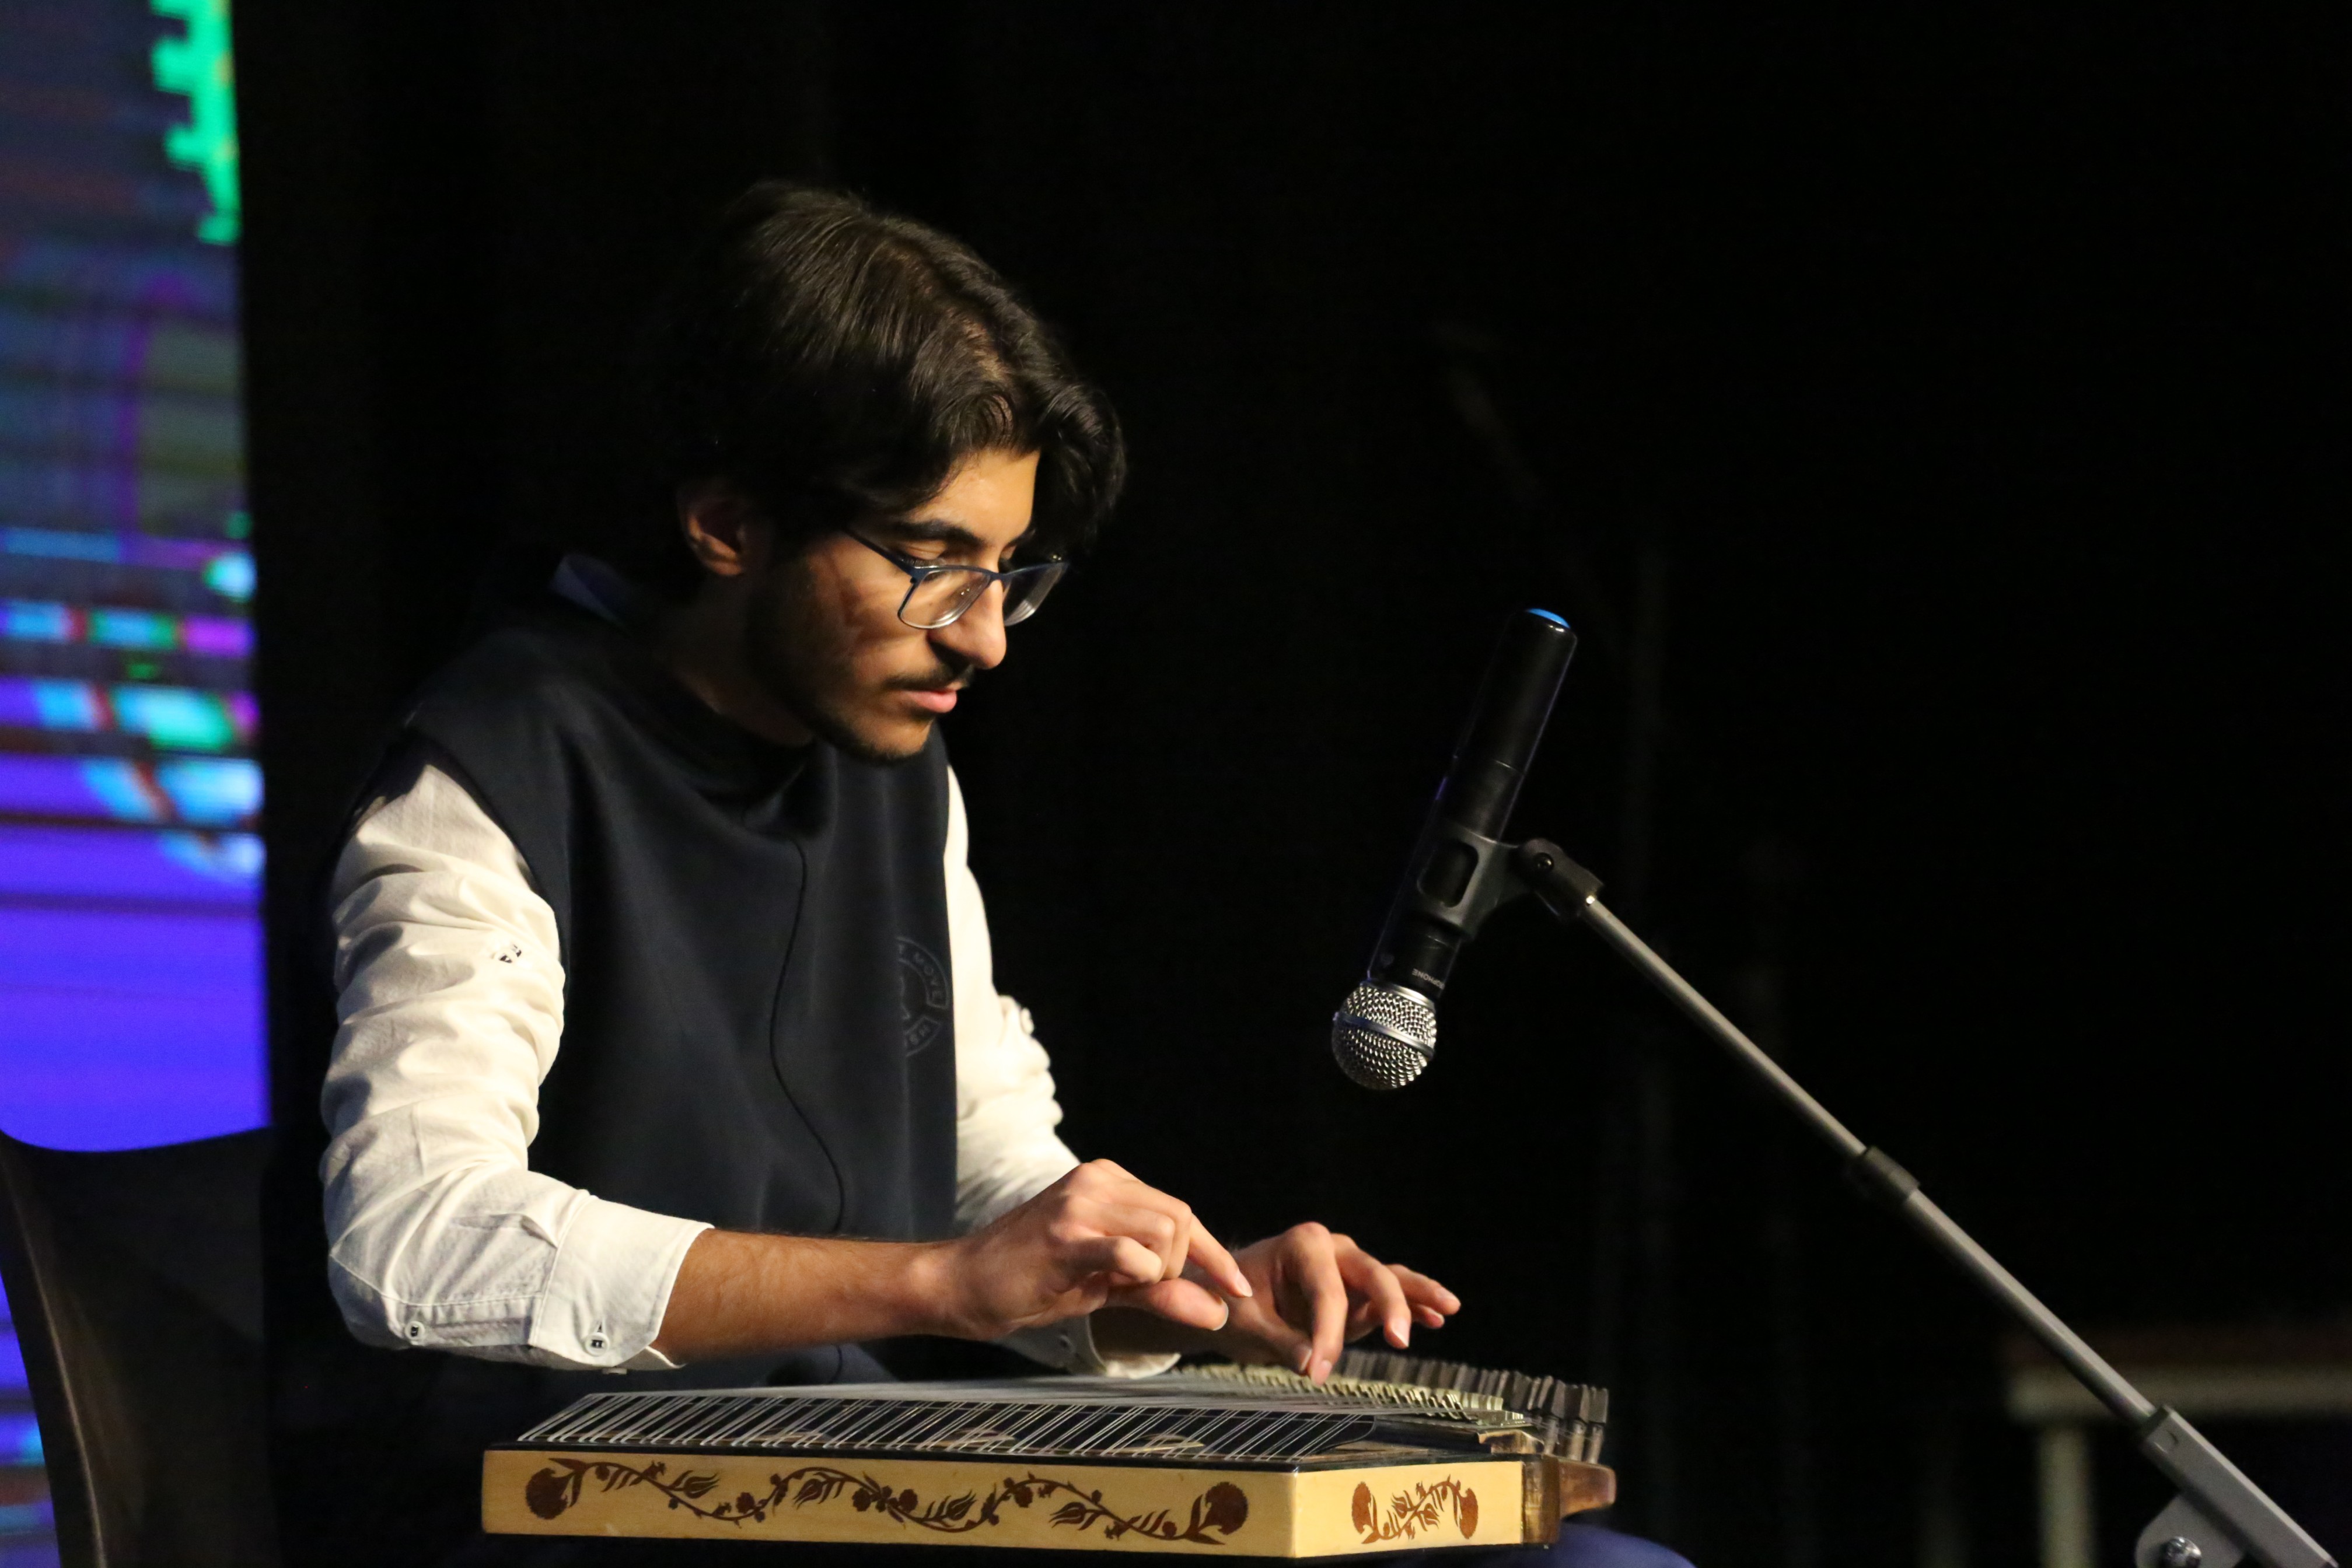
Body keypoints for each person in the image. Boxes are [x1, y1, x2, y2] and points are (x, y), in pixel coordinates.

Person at [268, 183, 1689, 1568]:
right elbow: (415, 1243)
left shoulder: (895, 769)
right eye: (933, 562)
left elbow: (985, 1169)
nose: (986, 637)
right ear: (730, 525)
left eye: (1012, 570)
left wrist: (1170, 1290)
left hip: (863, 1494)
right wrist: (937, 1286)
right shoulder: (493, 769)